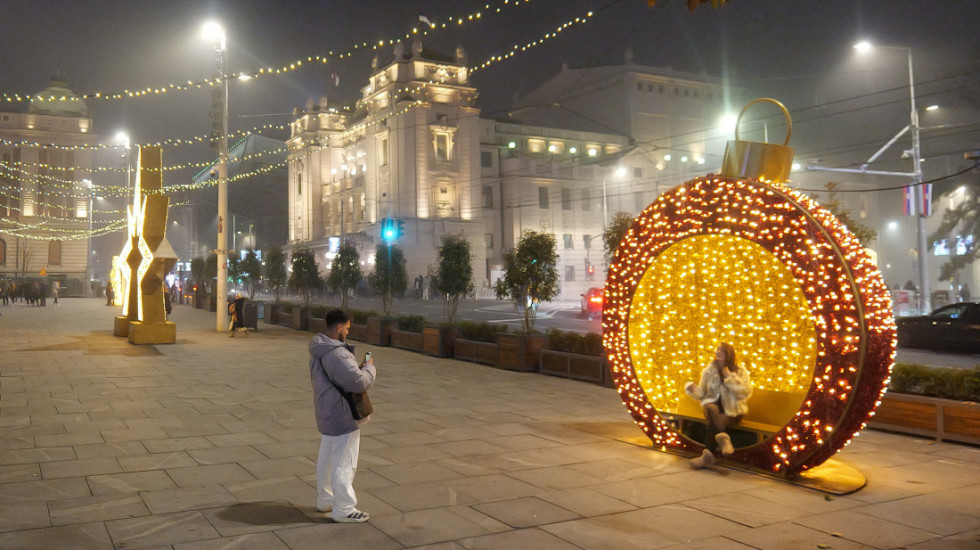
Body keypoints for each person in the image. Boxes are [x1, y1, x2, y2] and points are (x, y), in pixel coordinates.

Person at [309, 309, 376, 523]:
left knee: (327, 458)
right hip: (341, 414)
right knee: (344, 461)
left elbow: (341, 376)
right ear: (338, 328)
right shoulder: (336, 353)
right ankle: (344, 508)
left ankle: (325, 499)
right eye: (347, 327)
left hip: (327, 411)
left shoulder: (320, 348)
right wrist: (369, 369)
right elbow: (358, 382)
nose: (348, 331)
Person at [684, 342, 752, 469]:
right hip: (713, 408)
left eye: (722, 350)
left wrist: (728, 375)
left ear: (729, 354)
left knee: (712, 421)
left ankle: (706, 458)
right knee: (710, 408)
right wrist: (692, 389)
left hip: (732, 412)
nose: (718, 352)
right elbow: (702, 393)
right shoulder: (709, 371)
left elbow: (743, 393)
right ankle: (724, 440)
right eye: (717, 349)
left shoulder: (740, 371)